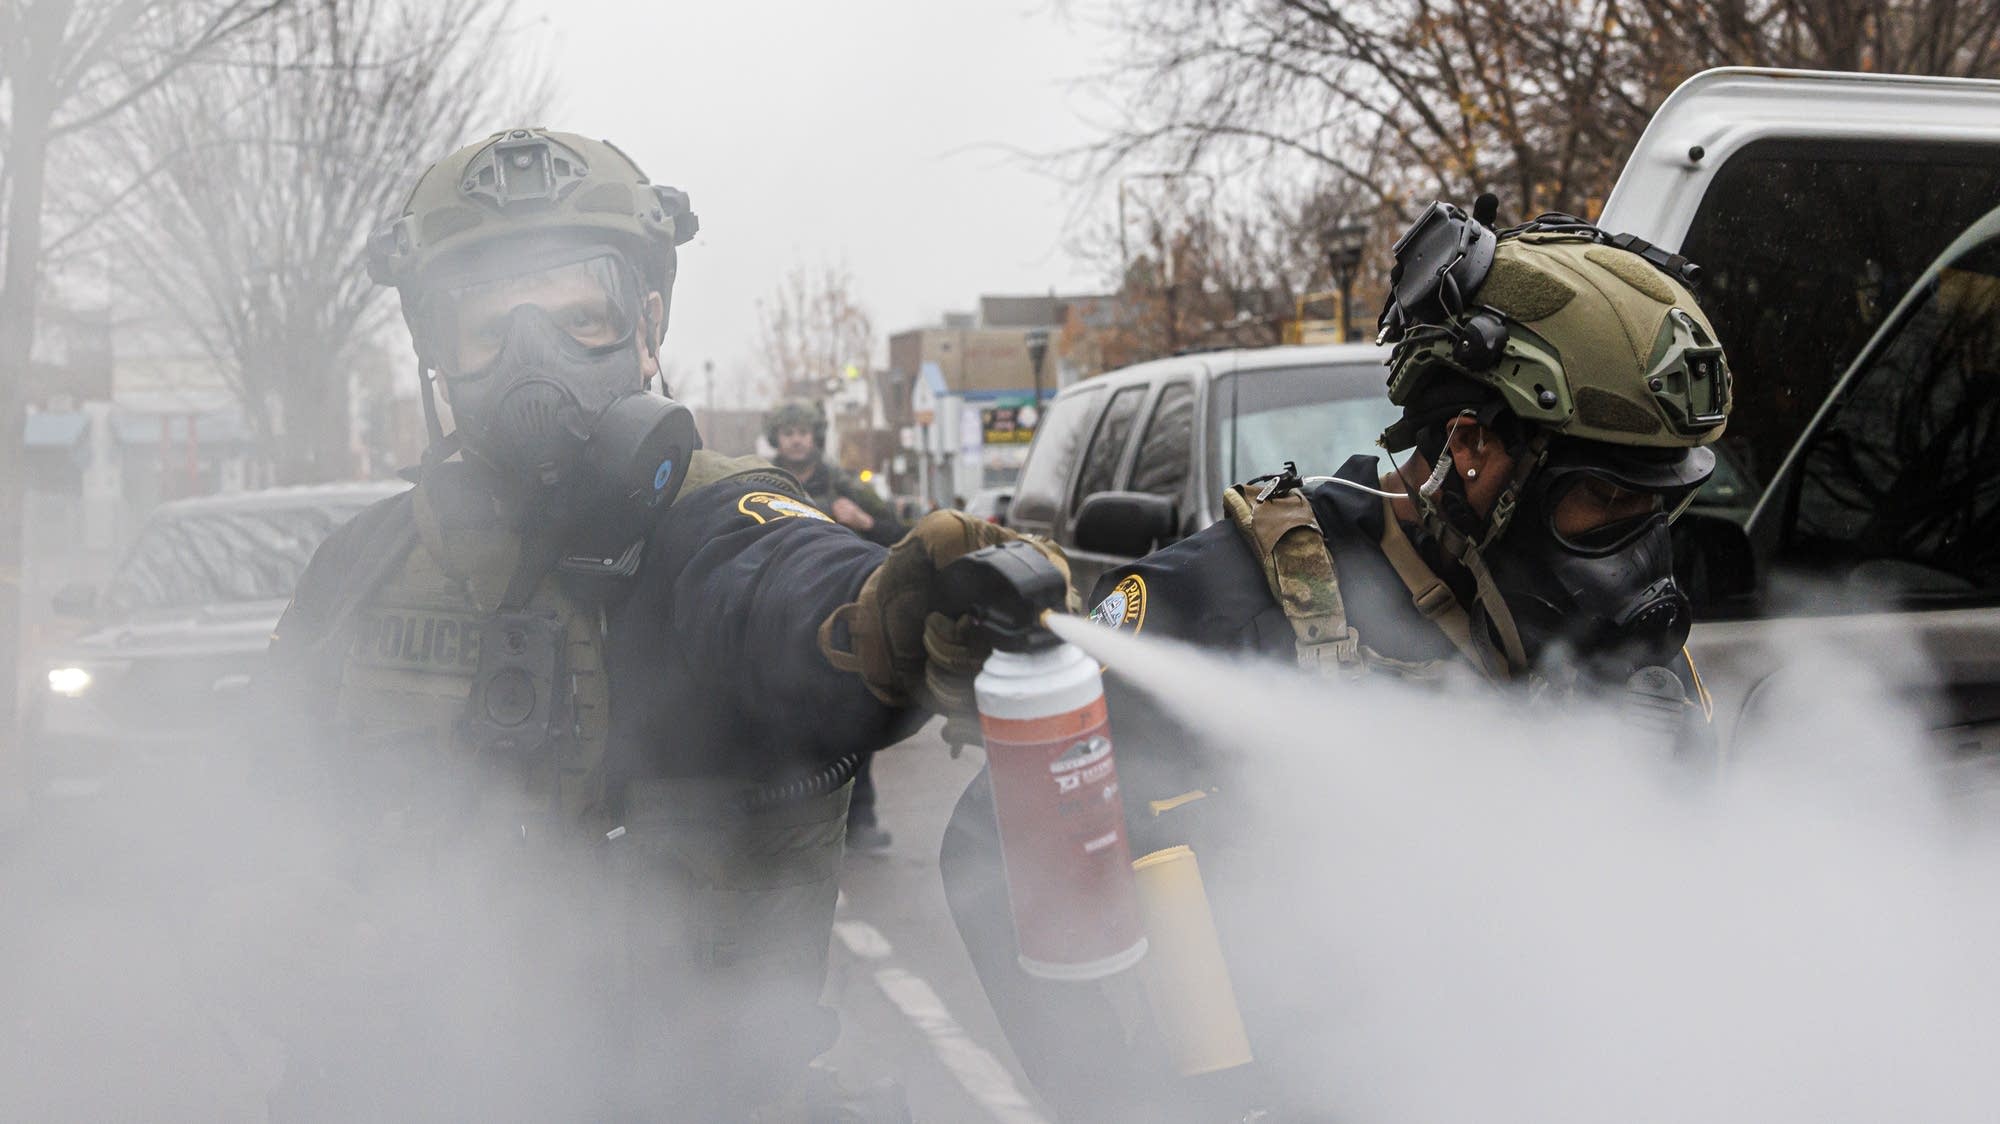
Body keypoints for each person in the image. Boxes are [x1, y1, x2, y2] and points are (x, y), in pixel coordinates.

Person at [258, 127, 1051, 1120]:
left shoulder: (715, 523)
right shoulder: (362, 568)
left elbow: (792, 583)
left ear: (647, 327)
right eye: (488, 328)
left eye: (577, 317)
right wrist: (295, 946)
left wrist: (891, 614)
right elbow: (247, 814)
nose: (533, 362)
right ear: (435, 354)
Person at [939, 198, 1734, 1120]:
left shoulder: (1611, 636)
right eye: (1605, 498)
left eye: (1657, 507)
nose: (1639, 549)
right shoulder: (1239, 605)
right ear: (1473, 446)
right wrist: (1113, 1097)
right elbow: (991, 841)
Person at [764, 397, 906, 850]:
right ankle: (793, 822)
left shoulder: (842, 484)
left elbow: (900, 535)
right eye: (788, 432)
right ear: (776, 438)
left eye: (803, 432)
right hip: (783, 613)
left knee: (852, 713)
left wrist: (862, 520)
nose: (796, 440)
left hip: (841, 614)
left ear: (816, 436)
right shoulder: (764, 482)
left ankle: (859, 820)